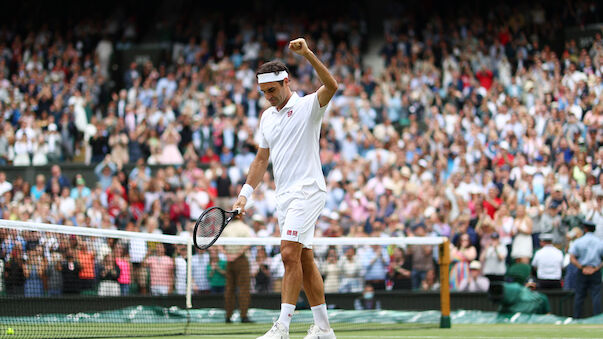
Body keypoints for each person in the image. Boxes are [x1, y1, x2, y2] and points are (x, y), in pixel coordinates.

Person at [232, 37, 338, 339]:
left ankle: (283, 327)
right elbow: (261, 158)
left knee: (288, 252)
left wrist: (307, 54)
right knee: (303, 258)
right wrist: (244, 195)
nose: (268, 97)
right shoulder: (266, 118)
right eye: (263, 92)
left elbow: (332, 86)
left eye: (272, 90)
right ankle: (324, 329)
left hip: (309, 191)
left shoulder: (308, 106)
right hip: (285, 197)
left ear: (285, 82)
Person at [221, 218, 254, 323]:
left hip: (229, 260)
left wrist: (227, 255)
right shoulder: (245, 228)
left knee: (229, 289)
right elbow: (248, 244)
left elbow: (220, 245)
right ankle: (243, 316)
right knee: (244, 289)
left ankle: (228, 316)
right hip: (241, 260)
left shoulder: (226, 228)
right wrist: (236, 255)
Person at [569, 220, 603, 318]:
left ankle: (577, 318)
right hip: (594, 271)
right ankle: (597, 319)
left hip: (582, 271)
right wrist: (596, 268)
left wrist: (581, 267)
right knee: (596, 296)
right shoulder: (599, 242)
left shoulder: (579, 241)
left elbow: (572, 257)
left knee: (579, 295)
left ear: (585, 229)